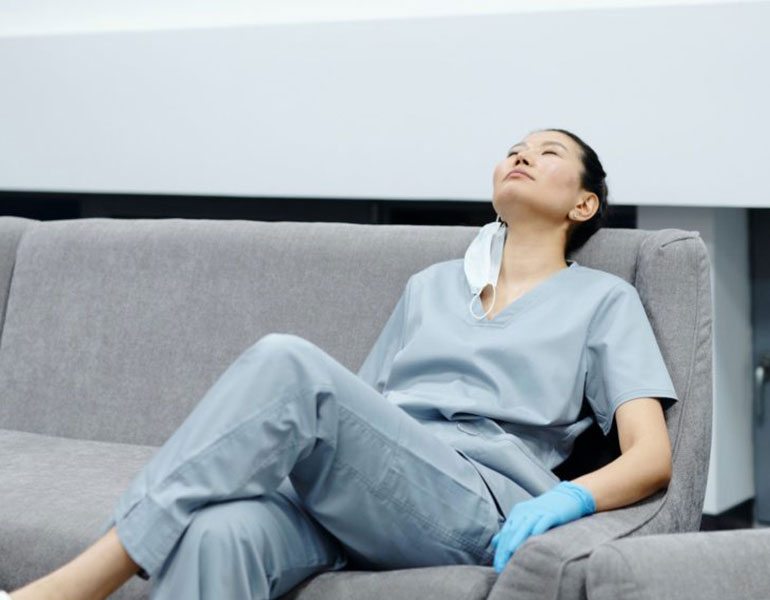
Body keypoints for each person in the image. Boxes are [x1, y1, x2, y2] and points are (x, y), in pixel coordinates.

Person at [3, 128, 679, 600]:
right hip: (373, 489)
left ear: (583, 204)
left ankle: (76, 585)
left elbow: (651, 457)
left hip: (471, 500)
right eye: (513, 150)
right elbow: (365, 411)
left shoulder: (603, 300)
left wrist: (566, 498)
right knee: (216, 534)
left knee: (288, 363)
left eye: (548, 152)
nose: (522, 155)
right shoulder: (430, 287)